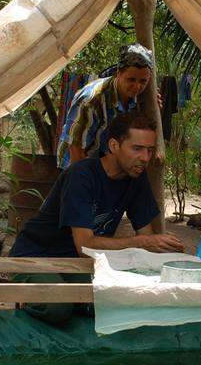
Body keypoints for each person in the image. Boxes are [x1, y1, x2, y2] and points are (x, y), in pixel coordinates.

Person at [10, 112, 184, 324]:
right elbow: (85, 247)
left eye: (149, 150)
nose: (145, 158)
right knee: (58, 308)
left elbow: (146, 237)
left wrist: (162, 248)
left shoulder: (136, 177)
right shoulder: (81, 175)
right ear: (113, 145)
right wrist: (143, 242)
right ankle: (24, 307)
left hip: (78, 264)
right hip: (36, 257)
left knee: (111, 300)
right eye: (137, 149)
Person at [57, 43, 155, 169]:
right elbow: (75, 148)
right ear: (118, 73)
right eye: (131, 80)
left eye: (143, 81)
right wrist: (83, 181)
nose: (137, 86)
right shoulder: (91, 100)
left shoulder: (141, 97)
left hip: (107, 165)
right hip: (75, 164)